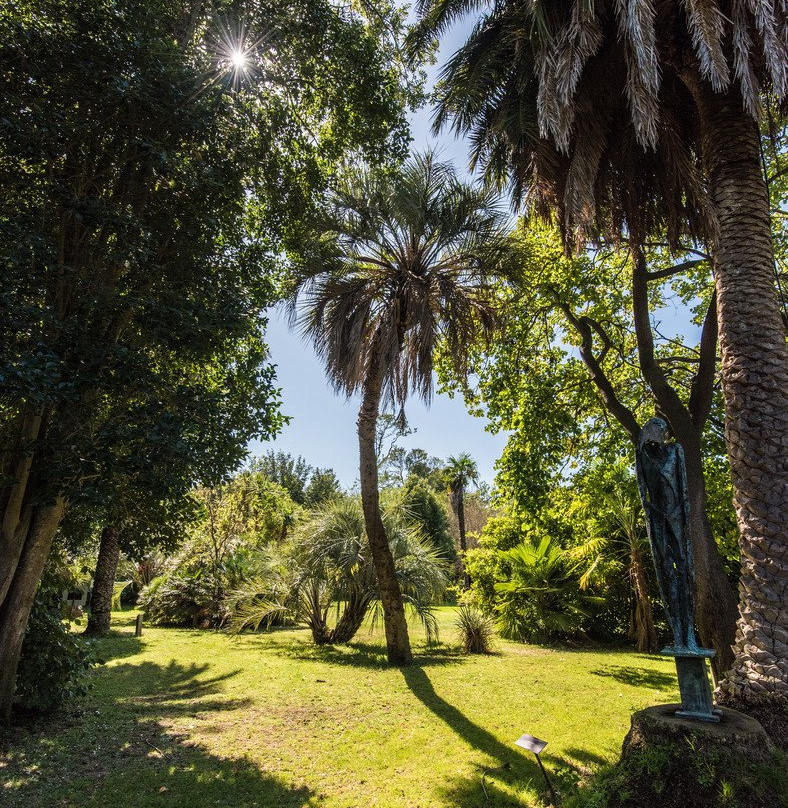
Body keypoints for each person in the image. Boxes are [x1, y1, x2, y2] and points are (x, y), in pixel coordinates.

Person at [635, 417, 699, 652]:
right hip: (658, 517)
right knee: (666, 572)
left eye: (664, 429)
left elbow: (682, 487)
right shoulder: (641, 454)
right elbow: (643, 490)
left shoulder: (676, 451)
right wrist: (650, 514)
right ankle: (678, 635)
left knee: (684, 570)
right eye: (659, 428)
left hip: (677, 517)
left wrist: (685, 516)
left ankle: (689, 635)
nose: (663, 432)